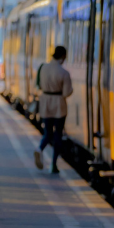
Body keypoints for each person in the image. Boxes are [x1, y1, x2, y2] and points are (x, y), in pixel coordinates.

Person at [35, 45, 73, 174]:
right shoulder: (64, 73)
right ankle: (54, 164)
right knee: (58, 135)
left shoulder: (43, 68)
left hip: (45, 103)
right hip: (59, 106)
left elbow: (38, 85)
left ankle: (40, 149)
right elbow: (67, 92)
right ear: (63, 56)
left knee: (47, 133)